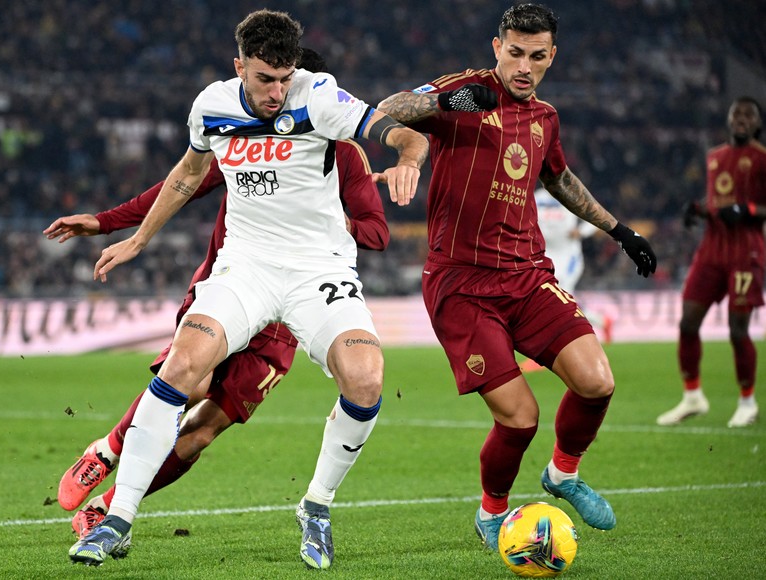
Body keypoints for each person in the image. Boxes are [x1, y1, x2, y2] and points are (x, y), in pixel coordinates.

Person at [66, 10, 429, 569]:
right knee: (182, 370)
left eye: (286, 78)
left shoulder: (320, 97)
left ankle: (317, 505)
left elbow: (396, 132)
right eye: (265, 79)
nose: (278, 92)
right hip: (246, 267)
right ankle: (117, 521)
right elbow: (188, 174)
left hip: (318, 271)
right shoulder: (212, 106)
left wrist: (408, 156)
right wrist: (136, 239)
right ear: (239, 67)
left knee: (367, 379)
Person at [377, 3, 656, 551]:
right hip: (462, 283)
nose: (523, 66)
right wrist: (447, 103)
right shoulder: (465, 89)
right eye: (514, 53)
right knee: (521, 416)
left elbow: (561, 178)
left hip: (528, 276)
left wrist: (619, 229)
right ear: (496, 47)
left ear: (552, 56)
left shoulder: (545, 118)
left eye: (536, 56)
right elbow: (388, 108)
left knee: (597, 381)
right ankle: (492, 513)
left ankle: (563, 475)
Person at [657, 96, 765, 429]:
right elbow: (718, 199)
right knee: (688, 322)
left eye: (749, 115)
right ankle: (692, 396)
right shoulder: (715, 156)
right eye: (737, 114)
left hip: (745, 251)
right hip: (711, 249)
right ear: (729, 120)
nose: (742, 120)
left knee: (737, 330)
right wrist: (699, 210)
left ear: (757, 123)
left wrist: (748, 211)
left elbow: (758, 207)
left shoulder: (762, 160)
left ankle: (747, 401)